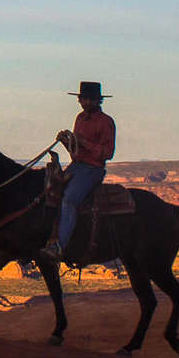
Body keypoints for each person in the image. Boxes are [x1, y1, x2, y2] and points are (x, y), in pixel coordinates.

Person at [40, 80, 115, 262]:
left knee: (70, 199)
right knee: (48, 192)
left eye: (91, 99)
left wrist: (83, 142)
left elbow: (107, 153)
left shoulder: (106, 122)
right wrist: (67, 141)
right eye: (84, 99)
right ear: (80, 100)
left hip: (93, 169)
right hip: (78, 166)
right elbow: (76, 152)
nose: (87, 102)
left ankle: (60, 245)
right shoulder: (79, 118)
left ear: (98, 101)